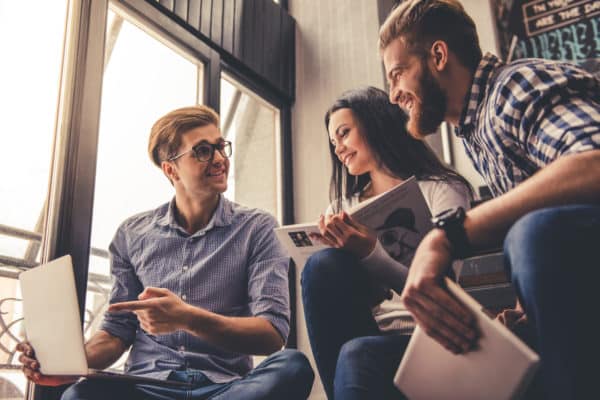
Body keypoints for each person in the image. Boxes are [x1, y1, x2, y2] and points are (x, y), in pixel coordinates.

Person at [378, 1, 600, 399]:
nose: (393, 95)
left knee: (532, 234)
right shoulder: (477, 131)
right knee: (363, 358)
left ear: (438, 56)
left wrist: (447, 236)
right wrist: (524, 307)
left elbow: (594, 162)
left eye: (397, 74)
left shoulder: (514, 86)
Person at [17, 105, 314, 400]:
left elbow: (271, 334)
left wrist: (189, 318)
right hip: (147, 387)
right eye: (202, 151)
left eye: (220, 147)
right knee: (80, 396)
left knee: (292, 366)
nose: (220, 159)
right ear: (171, 170)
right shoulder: (131, 235)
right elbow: (117, 332)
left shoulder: (257, 228)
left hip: (224, 388)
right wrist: (64, 362)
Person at [301, 86, 472, 399]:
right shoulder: (341, 207)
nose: (338, 148)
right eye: (333, 141)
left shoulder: (441, 189)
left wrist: (371, 254)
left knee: (358, 355)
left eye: (344, 133)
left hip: (430, 334)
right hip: (366, 330)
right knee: (322, 265)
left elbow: (444, 288)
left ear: (375, 123)